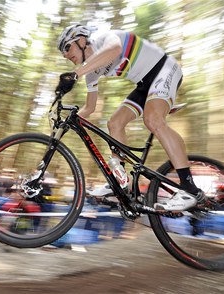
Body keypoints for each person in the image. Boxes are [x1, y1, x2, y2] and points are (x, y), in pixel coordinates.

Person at [55, 24, 205, 211]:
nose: (66, 55)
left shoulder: (104, 37)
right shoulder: (90, 72)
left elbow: (115, 49)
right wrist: (66, 122)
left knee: (153, 120)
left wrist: (76, 74)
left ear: (82, 40)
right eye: (63, 53)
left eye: (67, 47)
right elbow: (90, 107)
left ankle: (189, 189)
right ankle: (120, 182)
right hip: (144, 85)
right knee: (115, 123)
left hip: (165, 68)